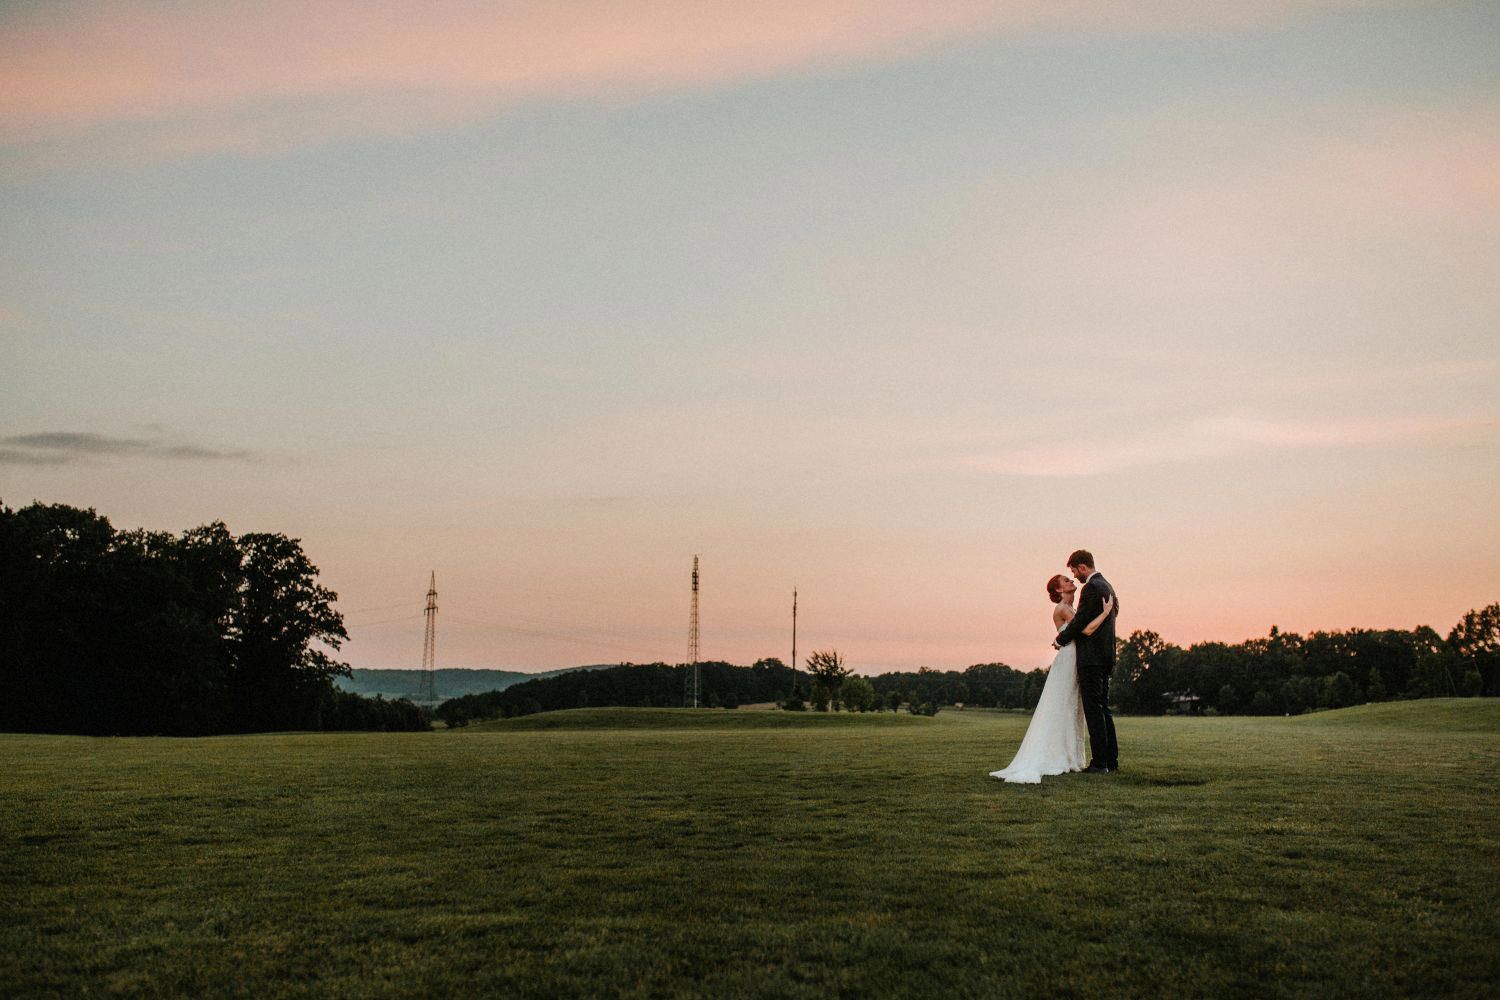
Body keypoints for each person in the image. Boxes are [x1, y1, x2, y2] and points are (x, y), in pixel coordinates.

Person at [990, 572, 1114, 784]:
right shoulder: (1062, 609)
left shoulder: (1072, 609)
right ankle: (1054, 756)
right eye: (1066, 580)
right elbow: (1085, 629)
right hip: (1069, 661)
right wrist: (1106, 613)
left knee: (1072, 708)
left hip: (1077, 660)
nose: (1071, 581)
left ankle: (1070, 756)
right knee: (1062, 705)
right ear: (1059, 590)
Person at [1053, 549, 1119, 773]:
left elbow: (1081, 621)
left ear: (1082, 567)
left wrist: (1060, 639)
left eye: (1074, 571)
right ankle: (1111, 761)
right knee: (1103, 709)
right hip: (1106, 655)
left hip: (1092, 658)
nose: (1074, 576)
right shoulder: (1107, 586)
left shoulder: (1091, 587)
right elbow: (1112, 615)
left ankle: (1100, 763)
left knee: (1094, 710)